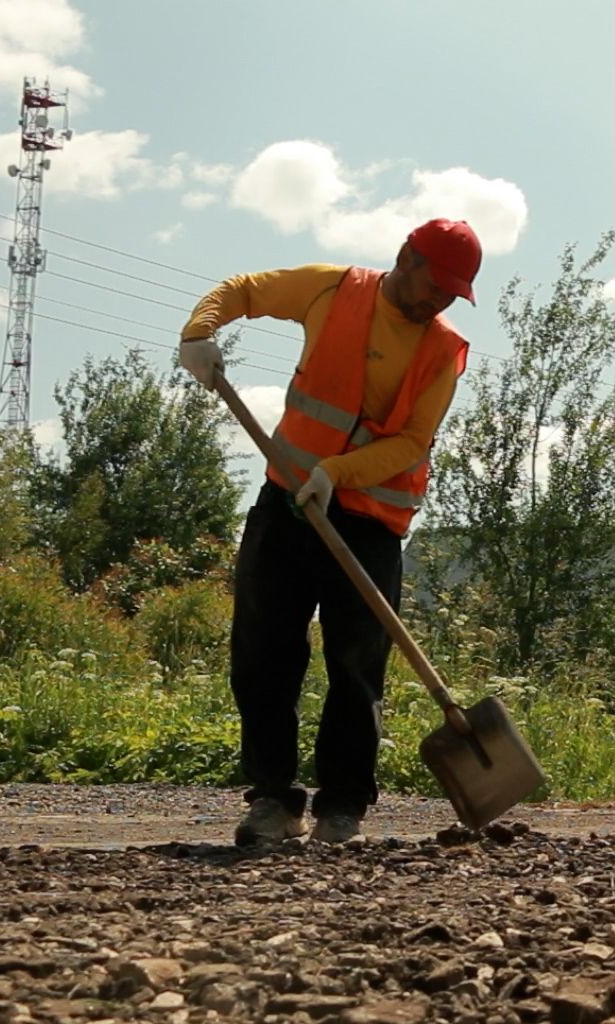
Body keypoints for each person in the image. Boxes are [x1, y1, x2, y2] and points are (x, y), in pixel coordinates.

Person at [177, 219, 482, 847]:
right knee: (263, 655)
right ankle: (273, 800)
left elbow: (410, 443)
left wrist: (334, 474)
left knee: (357, 668)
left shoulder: (441, 352)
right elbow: (243, 290)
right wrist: (199, 332)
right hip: (285, 504)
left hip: (369, 525)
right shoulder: (331, 290)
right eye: (436, 285)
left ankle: (341, 808)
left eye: (453, 293)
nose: (439, 301)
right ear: (405, 256)